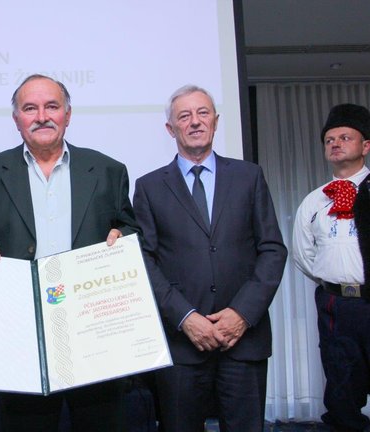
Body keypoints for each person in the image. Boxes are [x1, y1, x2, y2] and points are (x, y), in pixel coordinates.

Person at [0, 74, 140, 431]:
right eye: (30, 108)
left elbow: (132, 231)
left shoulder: (108, 170)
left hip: (95, 331)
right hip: (21, 335)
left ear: (67, 115)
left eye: (52, 106)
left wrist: (123, 239)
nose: (42, 116)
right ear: (16, 119)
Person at [132, 84, 287, 431]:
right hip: (181, 344)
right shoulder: (149, 187)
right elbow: (144, 261)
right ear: (170, 129)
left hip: (243, 340)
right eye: (184, 116)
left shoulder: (249, 176)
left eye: (203, 113)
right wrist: (185, 317)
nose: (195, 122)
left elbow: (272, 250)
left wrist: (242, 314)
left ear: (216, 121)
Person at [293, 103, 370, 432]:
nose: (335, 143)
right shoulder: (314, 201)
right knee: (341, 384)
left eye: (344, 137)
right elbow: (302, 254)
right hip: (336, 304)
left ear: (365, 146)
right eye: (329, 140)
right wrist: (334, 279)